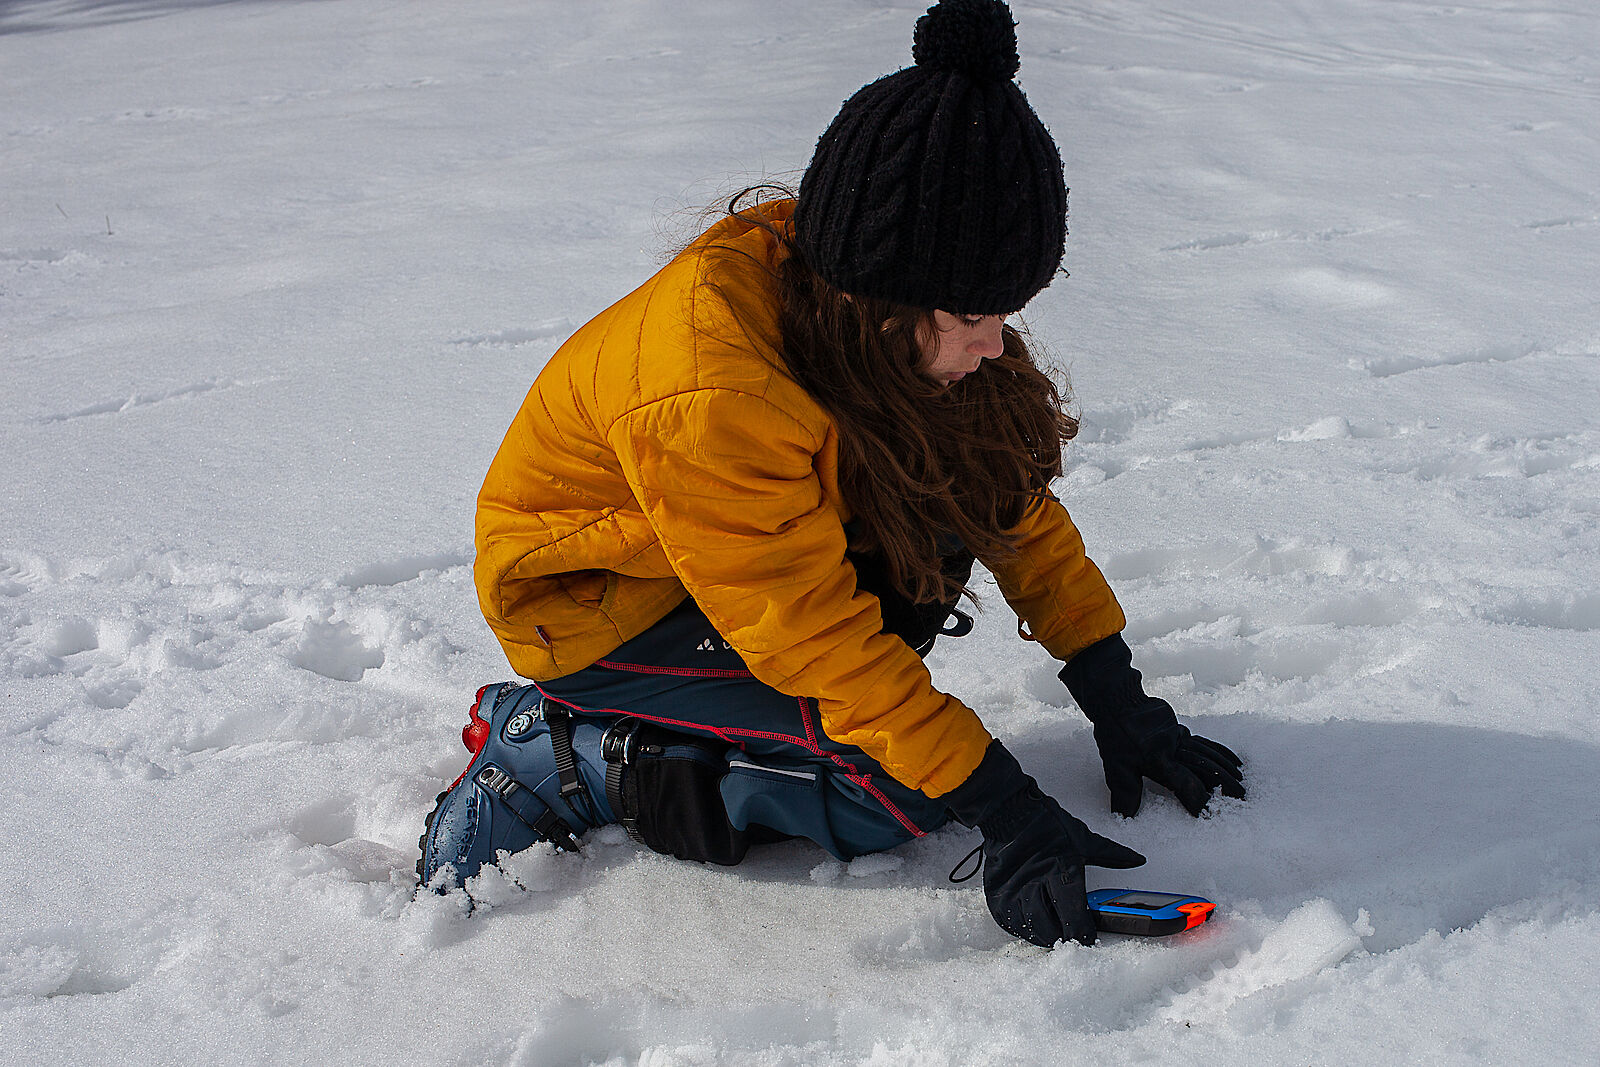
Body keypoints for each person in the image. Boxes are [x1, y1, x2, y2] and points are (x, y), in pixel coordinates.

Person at [418, 0, 1244, 948]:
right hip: (593, 605)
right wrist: (1007, 808)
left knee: (925, 562)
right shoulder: (712, 388)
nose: (996, 341)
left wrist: (1115, 690)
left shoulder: (876, 316)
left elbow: (1006, 500)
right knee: (892, 793)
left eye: (1008, 310)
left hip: (709, 565)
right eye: (973, 314)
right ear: (882, 298)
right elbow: (813, 638)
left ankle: (700, 727)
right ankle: (550, 749)